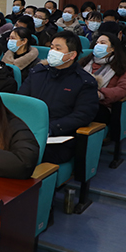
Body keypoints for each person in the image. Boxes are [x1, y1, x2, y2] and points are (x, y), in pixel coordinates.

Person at [18, 31, 99, 164]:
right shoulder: (38, 73)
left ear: (72, 55)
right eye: (51, 47)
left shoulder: (84, 82)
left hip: (58, 137)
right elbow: (22, 101)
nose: (52, 52)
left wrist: (50, 129)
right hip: (27, 130)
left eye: (58, 48)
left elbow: (82, 115)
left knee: (24, 154)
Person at [78, 33, 126, 124]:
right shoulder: (85, 62)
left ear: (112, 48)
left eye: (102, 43)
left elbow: (124, 88)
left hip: (101, 105)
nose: (98, 45)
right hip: (78, 100)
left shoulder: (122, 67)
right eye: (97, 43)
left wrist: (101, 94)